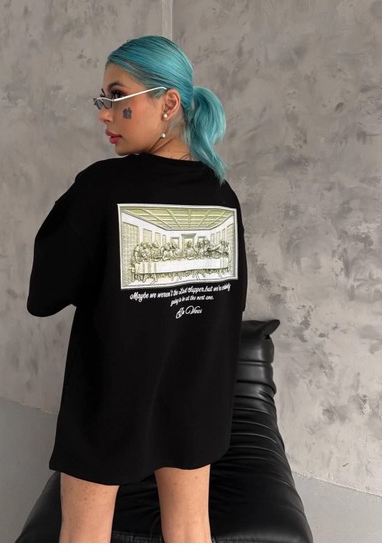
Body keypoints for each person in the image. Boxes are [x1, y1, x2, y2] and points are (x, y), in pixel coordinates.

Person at [26, 35, 248, 543]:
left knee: (84, 537)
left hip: (112, 398)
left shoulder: (101, 187)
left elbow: (43, 297)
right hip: (197, 397)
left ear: (168, 103)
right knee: (191, 532)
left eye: (117, 96)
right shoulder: (222, 195)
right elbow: (227, 305)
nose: (104, 114)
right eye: (102, 100)